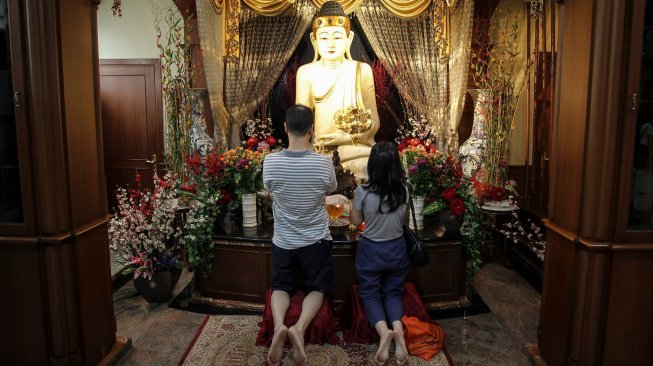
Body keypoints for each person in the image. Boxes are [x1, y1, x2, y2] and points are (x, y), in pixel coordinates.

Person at [262, 104, 338, 365]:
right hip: (315, 240)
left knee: (280, 286)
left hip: (284, 240)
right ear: (312, 130)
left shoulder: (270, 162)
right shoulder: (324, 163)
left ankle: (281, 326)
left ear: (285, 128)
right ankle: (300, 328)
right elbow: (330, 190)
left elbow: (268, 187)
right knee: (317, 287)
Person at [296, 0, 380, 179]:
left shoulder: (361, 71)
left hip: (355, 149)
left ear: (349, 39)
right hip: (321, 149)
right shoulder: (306, 73)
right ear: (314, 39)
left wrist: (344, 138)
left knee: (368, 165)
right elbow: (300, 123)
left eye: (337, 37)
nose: (331, 44)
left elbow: (374, 121)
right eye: (324, 37)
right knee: (308, 165)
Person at [350, 141, 410, 366]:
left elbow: (356, 223)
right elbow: (404, 222)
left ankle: (384, 332)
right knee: (393, 292)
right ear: (396, 166)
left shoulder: (363, 192)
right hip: (396, 249)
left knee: (370, 293)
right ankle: (398, 331)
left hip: (370, 251)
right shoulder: (404, 191)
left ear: (372, 165)